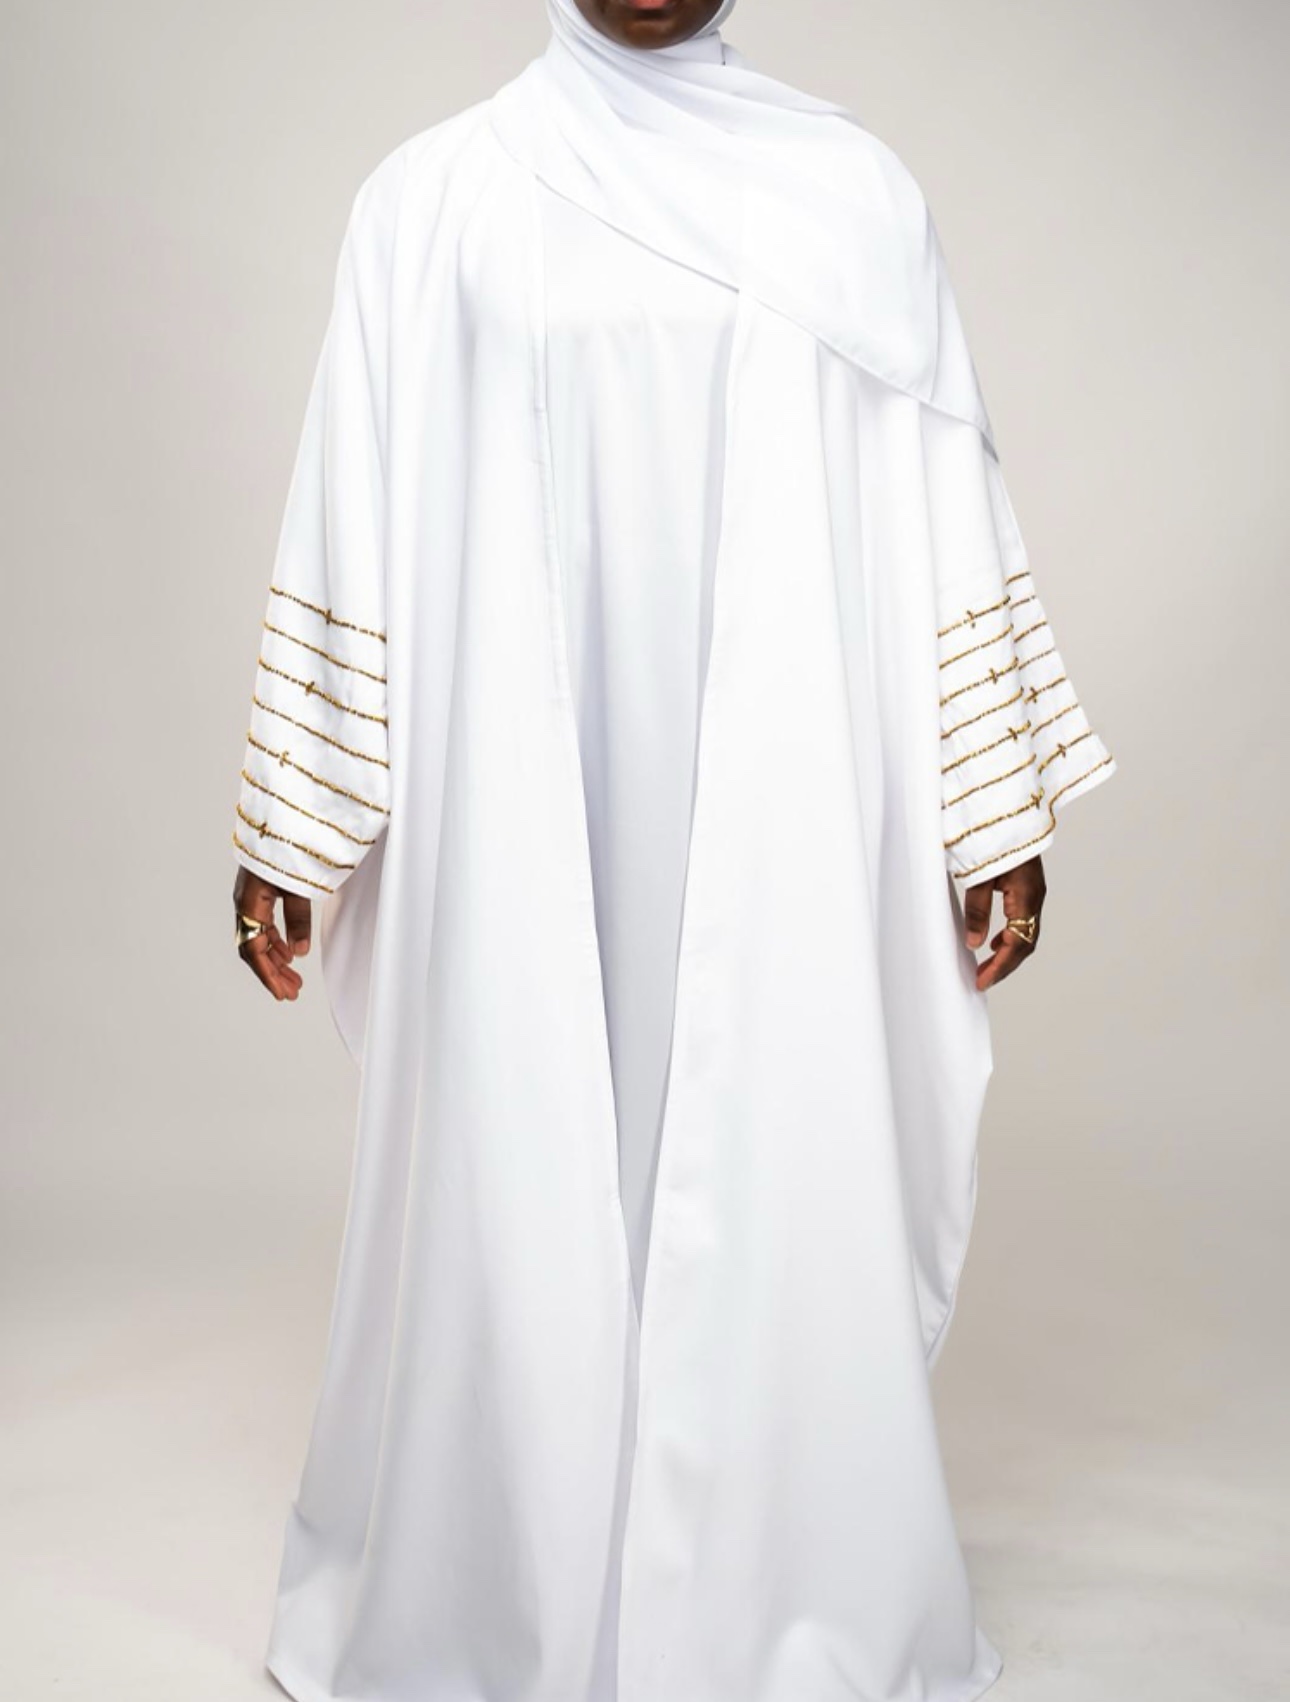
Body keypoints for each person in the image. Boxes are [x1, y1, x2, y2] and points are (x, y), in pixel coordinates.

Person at [229, 3, 1115, 1698]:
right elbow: (352, 494)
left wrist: (983, 801)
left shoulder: (852, 201)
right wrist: (296, 816)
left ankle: (776, 1595)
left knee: (765, 1112)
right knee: (521, 1128)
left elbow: (933, 495)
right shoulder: (434, 199)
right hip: (513, 787)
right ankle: (506, 1598)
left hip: (782, 788)